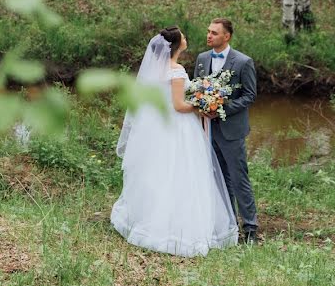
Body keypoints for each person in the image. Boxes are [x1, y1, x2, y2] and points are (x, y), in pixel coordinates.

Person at [111, 26, 238, 257]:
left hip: (160, 127)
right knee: (183, 173)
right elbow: (179, 106)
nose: (186, 38)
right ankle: (178, 229)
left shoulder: (155, 71)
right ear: (177, 44)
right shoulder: (176, 70)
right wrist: (202, 106)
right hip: (179, 128)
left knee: (160, 173)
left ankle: (147, 219)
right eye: (183, 37)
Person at [194, 18, 259, 244]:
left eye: (214, 33)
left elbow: (250, 95)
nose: (209, 35)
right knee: (219, 178)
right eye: (208, 31)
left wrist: (221, 108)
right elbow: (196, 87)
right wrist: (202, 106)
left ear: (226, 36)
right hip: (208, 130)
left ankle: (251, 229)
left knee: (239, 178)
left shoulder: (243, 62)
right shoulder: (202, 59)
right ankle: (228, 225)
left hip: (231, 130)